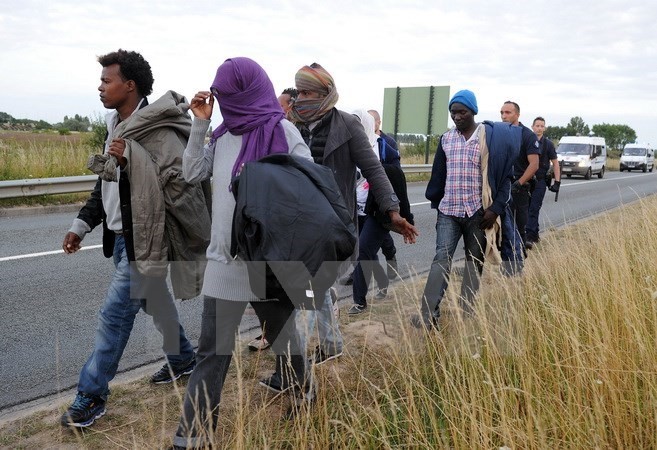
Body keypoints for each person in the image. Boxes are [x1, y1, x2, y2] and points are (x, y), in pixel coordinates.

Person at [60, 49, 210, 428]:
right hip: (120, 237)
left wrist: (133, 161)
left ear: (129, 86)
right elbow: (106, 181)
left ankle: (92, 396)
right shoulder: (117, 123)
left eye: (106, 80)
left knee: (114, 315)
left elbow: (180, 185)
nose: (100, 87)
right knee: (155, 304)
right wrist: (81, 225)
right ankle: (183, 359)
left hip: (147, 238)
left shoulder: (157, 128)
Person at [172, 57, 314, 449]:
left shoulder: (283, 131)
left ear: (250, 92)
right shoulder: (221, 135)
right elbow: (191, 174)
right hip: (225, 260)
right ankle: (193, 435)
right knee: (212, 352)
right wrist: (200, 123)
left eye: (229, 94)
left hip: (267, 261)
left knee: (283, 337)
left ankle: (303, 389)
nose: (224, 101)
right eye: (220, 95)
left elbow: (308, 186)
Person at [288, 62, 418, 364]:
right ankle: (330, 343)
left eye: (307, 92)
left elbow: (373, 168)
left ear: (324, 93)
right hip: (297, 219)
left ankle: (293, 363)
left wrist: (392, 209)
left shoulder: (346, 124)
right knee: (314, 285)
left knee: (308, 287)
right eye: (298, 91)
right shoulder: (289, 125)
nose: (301, 98)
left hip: (331, 220)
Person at [412, 90, 517, 329]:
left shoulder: (488, 137)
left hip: (478, 214)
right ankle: (429, 314)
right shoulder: (446, 139)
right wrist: (437, 202)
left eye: (462, 112)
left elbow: (505, 178)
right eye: (453, 113)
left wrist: (495, 209)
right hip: (449, 212)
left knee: (473, 262)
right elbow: (439, 174)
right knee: (441, 259)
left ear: (473, 112)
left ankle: (466, 308)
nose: (457, 117)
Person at [348, 109, 412, 314]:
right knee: (366, 252)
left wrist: (398, 213)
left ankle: (359, 301)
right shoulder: (346, 146)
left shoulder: (385, 147)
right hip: (355, 209)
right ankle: (383, 283)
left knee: (364, 250)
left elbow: (397, 181)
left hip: (378, 210)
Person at [500, 101, 540, 252]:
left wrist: (519, 183)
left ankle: (519, 259)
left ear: (517, 114)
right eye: (502, 113)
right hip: (501, 185)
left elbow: (534, 164)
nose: (504, 116)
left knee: (518, 225)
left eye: (508, 113)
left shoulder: (527, 135)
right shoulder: (499, 133)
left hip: (519, 188)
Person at [525, 116, 561, 247]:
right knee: (526, 209)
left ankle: (529, 237)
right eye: (537, 126)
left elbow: (556, 164)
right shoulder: (527, 141)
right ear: (532, 127)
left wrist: (557, 182)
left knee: (534, 208)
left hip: (540, 182)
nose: (539, 128)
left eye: (542, 126)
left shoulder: (548, 144)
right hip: (527, 180)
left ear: (544, 128)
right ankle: (534, 234)